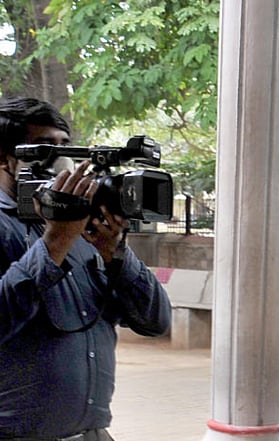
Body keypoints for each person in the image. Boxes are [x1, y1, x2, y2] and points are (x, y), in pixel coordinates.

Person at [0, 97, 171, 440]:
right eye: (45, 149)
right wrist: (56, 241)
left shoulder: (84, 227)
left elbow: (155, 321)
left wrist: (116, 253)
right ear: (5, 158)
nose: (62, 159)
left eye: (66, 146)